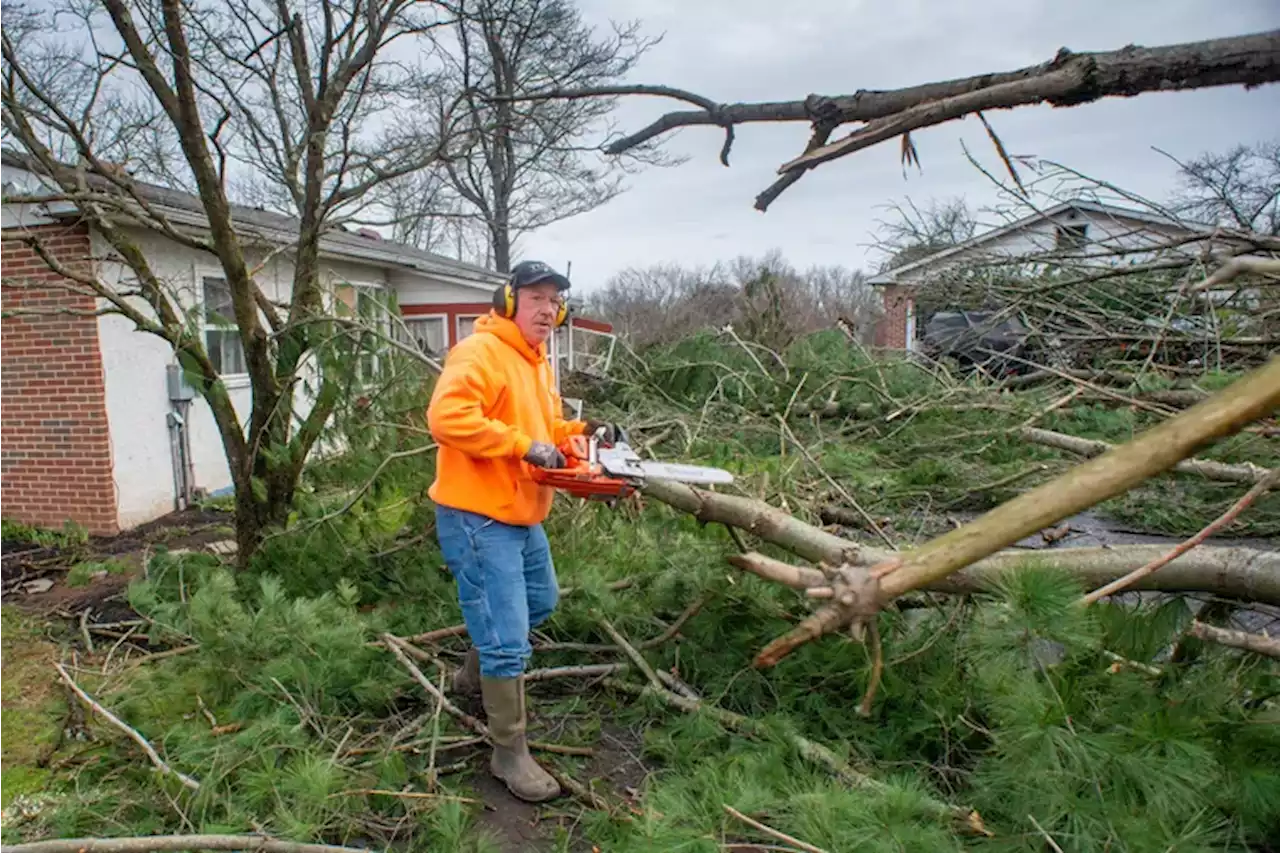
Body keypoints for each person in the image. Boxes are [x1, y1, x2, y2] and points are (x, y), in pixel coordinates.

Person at [425, 259, 622, 803]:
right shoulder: (480, 353)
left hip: (521, 512)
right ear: (509, 301)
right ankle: (507, 752)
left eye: (554, 301)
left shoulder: (536, 361)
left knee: (542, 601)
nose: (547, 310)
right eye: (536, 299)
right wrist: (521, 446)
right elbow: (447, 419)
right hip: (478, 516)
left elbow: (547, 427)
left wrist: (583, 432)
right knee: (510, 642)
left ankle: (473, 673)